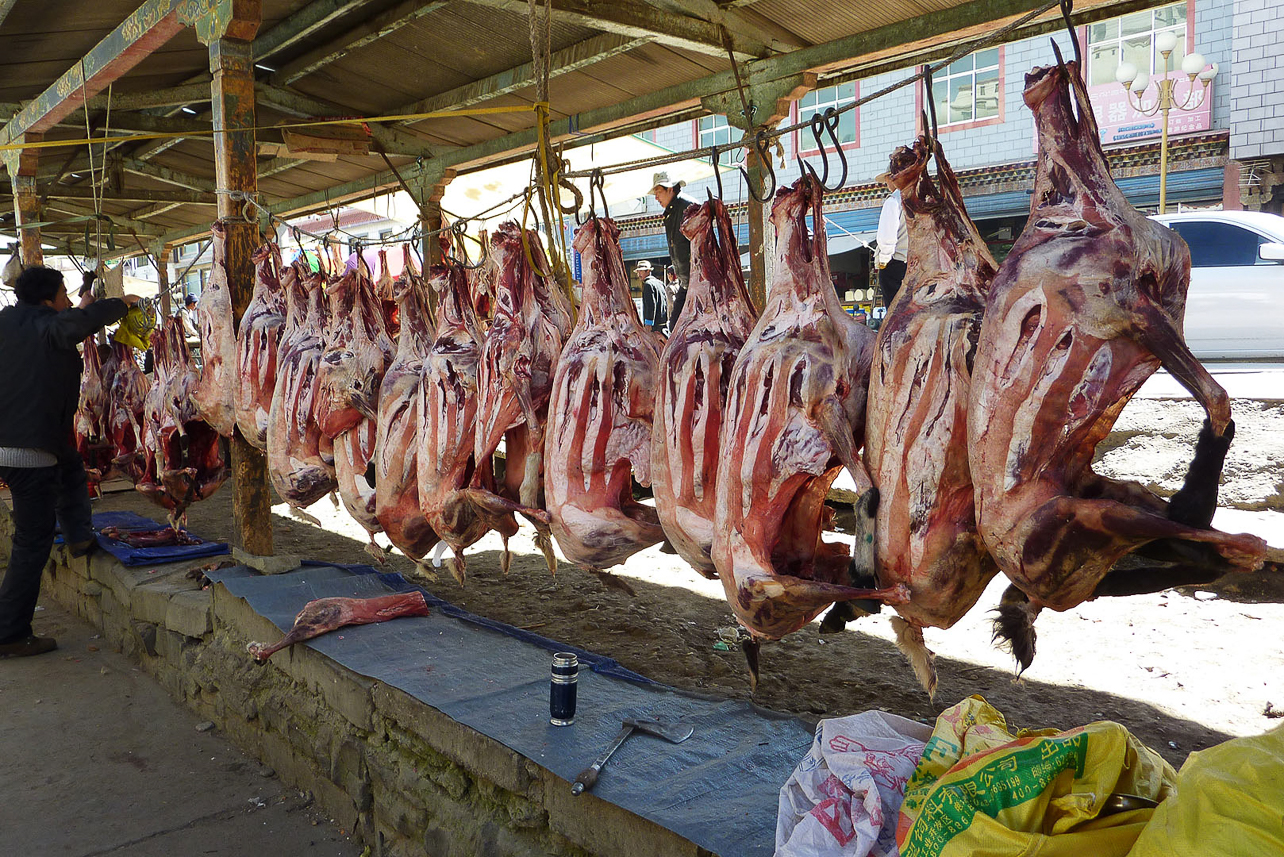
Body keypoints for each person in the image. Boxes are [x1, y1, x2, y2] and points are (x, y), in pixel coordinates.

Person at [0, 266, 138, 658]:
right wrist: (118, 305)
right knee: (32, 539)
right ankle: (9, 632)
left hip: (22, 439)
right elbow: (74, 324)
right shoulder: (49, 327)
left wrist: (84, 304)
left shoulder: (10, 322)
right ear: (48, 299)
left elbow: (68, 319)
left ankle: (79, 536)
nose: (66, 299)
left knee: (72, 469)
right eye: (62, 293)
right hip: (27, 451)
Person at [650, 171, 698, 330]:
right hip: (686, 283)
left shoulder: (688, 207)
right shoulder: (670, 212)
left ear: (670, 189)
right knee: (675, 327)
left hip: (698, 281)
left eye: (658, 192)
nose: (656, 197)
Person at [875, 177, 909, 308]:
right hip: (917, 263)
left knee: (895, 310)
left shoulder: (894, 201)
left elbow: (887, 237)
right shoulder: (919, 197)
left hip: (896, 263)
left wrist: (883, 260)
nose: (886, 183)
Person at [635, 259, 668, 334]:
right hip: (663, 323)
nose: (638, 274)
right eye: (638, 271)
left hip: (654, 326)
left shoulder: (648, 285)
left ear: (648, 271)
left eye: (641, 271)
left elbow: (650, 305)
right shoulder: (660, 283)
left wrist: (648, 324)